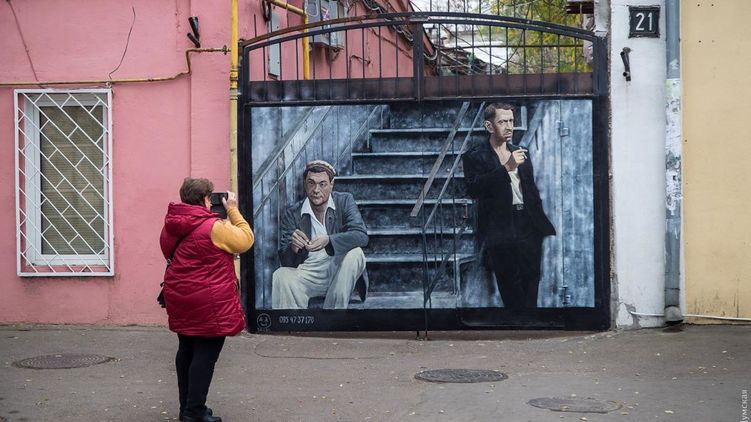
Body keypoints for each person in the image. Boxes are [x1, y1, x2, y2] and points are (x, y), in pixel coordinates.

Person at [160, 178, 254, 422]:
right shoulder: (214, 227)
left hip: (180, 297)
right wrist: (232, 209)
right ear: (205, 199)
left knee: (187, 350)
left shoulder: (171, 225)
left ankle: (187, 408)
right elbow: (246, 239)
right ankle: (194, 411)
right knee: (205, 355)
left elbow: (172, 252)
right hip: (208, 302)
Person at [461, 103, 556, 310]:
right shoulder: (474, 156)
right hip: (500, 229)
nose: (509, 126)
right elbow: (474, 189)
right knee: (510, 290)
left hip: (528, 227)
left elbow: (531, 189)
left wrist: (537, 225)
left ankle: (530, 323)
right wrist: (507, 168)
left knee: (531, 284)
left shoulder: (522, 152)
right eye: (502, 122)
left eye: (511, 121)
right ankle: (517, 323)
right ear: (489, 126)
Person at [272, 160, 369, 309]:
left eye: (322, 184)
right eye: (311, 183)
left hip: (340, 268)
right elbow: (286, 262)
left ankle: (332, 316)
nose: (316, 190)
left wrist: (329, 241)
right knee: (280, 275)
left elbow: (361, 236)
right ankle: (294, 321)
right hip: (309, 271)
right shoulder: (293, 213)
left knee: (356, 253)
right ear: (305, 184)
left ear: (331, 184)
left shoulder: (344, 201)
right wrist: (293, 247)